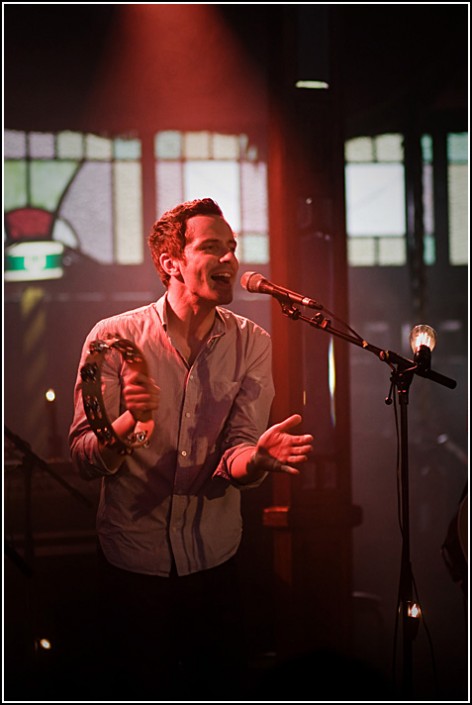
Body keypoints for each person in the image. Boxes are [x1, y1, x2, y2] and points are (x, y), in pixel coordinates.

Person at [69, 197, 313, 700]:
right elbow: (83, 455)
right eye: (211, 247)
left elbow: (238, 454)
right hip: (132, 563)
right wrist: (131, 422)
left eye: (232, 248)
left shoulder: (254, 343)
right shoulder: (112, 339)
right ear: (170, 263)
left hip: (214, 560)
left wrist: (258, 461)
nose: (229, 260)